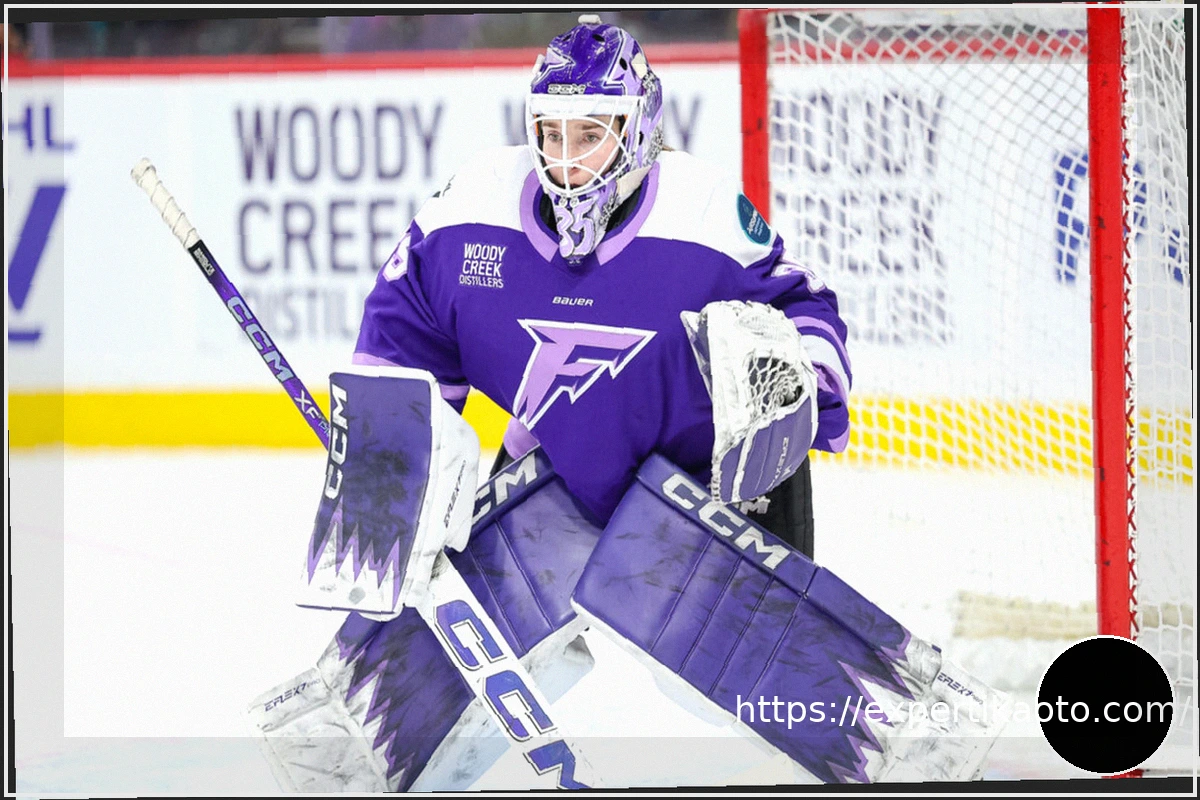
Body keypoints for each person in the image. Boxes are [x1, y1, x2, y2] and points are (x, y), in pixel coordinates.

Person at [353, 15, 851, 552]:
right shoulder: (472, 212)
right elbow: (405, 334)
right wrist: (390, 468)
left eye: (590, 135)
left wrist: (802, 384)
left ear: (638, 132)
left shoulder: (702, 215)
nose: (566, 161)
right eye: (552, 134)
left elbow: (803, 307)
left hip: (709, 490)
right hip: (549, 473)